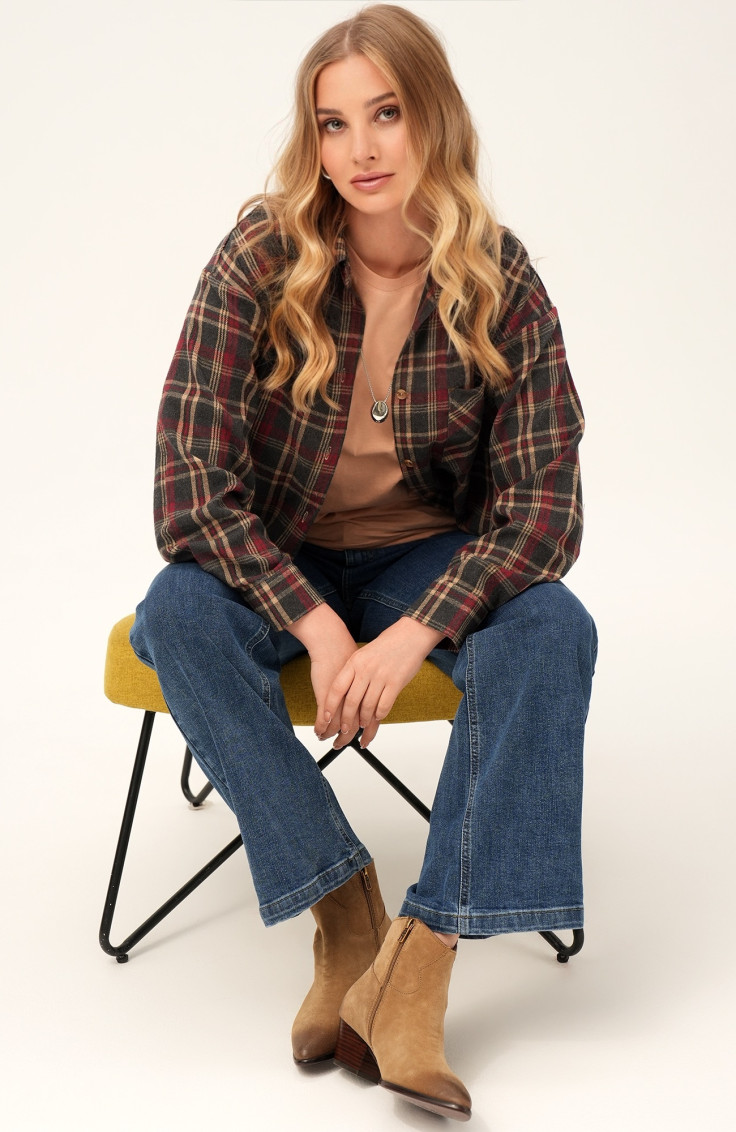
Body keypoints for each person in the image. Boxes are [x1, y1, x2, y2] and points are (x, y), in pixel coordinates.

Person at [130, 3, 597, 1122]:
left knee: (556, 626)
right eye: (333, 124)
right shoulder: (262, 255)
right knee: (174, 614)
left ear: (433, 116)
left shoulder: (500, 277)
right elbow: (187, 486)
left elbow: (543, 510)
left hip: (419, 560)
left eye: (386, 114)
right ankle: (341, 905)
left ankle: (416, 963)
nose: (361, 149)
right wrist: (318, 622)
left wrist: (413, 630)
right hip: (279, 555)